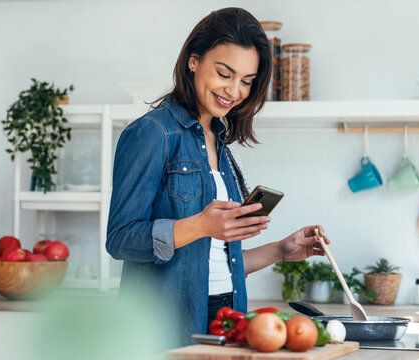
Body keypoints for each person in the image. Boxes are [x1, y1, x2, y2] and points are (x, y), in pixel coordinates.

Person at [106, 7, 330, 348]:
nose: (235, 90)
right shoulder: (152, 133)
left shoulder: (221, 142)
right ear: (193, 61)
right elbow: (120, 239)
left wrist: (279, 251)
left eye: (246, 81)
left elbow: (214, 263)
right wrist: (200, 226)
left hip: (228, 316)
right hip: (166, 326)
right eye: (224, 73)